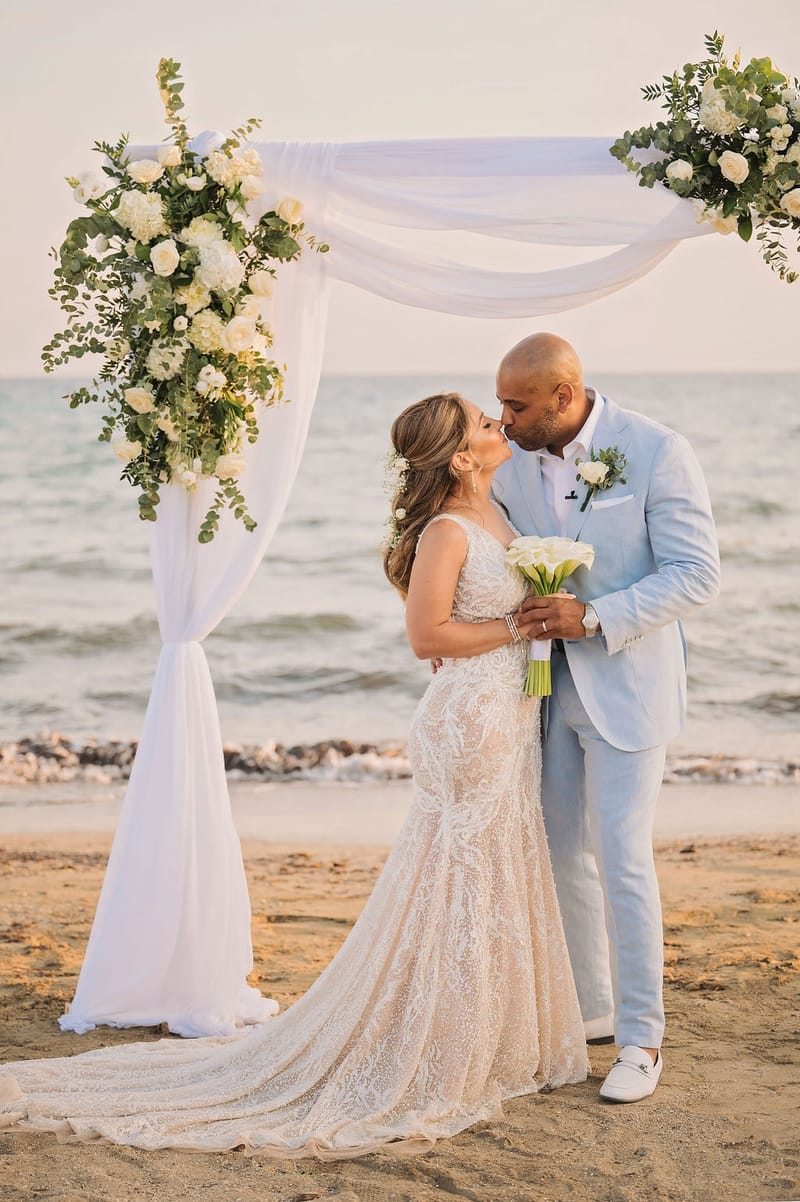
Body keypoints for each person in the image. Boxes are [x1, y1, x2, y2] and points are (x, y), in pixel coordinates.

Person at [0, 392, 587, 1158]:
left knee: (488, 874)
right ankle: (444, 1047)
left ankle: (483, 1036)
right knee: (462, 879)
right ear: (458, 456)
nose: (496, 425)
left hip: (506, 715)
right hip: (470, 723)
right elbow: (425, 635)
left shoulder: (495, 514)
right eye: (483, 422)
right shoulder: (448, 529)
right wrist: (518, 624)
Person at [492, 333, 721, 1103]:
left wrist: (593, 618)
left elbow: (695, 576)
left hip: (630, 687)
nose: (504, 420)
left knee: (622, 856)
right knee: (560, 855)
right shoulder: (511, 461)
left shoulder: (657, 450)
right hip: (545, 694)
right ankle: (590, 1010)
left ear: (565, 396)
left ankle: (641, 1040)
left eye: (517, 406)